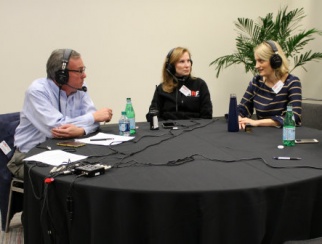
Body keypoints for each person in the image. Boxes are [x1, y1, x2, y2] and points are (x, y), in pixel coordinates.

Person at [7, 49, 113, 179]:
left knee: (102, 169)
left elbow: (95, 122)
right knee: (69, 180)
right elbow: (57, 128)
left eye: (83, 70)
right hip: (29, 157)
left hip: (67, 153)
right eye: (79, 71)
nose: (84, 75)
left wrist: (81, 131)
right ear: (61, 75)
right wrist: (92, 117)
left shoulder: (80, 87)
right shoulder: (37, 91)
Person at [238, 40, 302, 130]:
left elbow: (294, 117)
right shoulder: (256, 82)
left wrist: (257, 122)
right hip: (261, 135)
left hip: (284, 135)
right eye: (256, 61)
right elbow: (242, 108)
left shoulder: (292, 82)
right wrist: (238, 117)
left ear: (275, 61)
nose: (256, 66)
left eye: (261, 61)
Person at [146, 47, 212, 121]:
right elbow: (153, 117)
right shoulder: (162, 88)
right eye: (182, 61)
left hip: (196, 128)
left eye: (188, 61)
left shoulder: (200, 84)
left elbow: (207, 116)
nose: (187, 65)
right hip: (168, 130)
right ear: (171, 66)